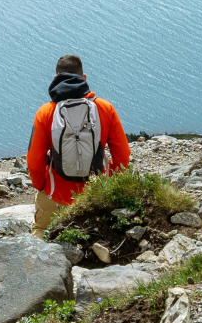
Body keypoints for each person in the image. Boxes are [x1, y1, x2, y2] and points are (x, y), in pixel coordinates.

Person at [26, 54, 131, 231]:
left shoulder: (46, 112)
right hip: (95, 194)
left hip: (55, 194)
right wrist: (109, 184)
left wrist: (42, 186)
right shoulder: (104, 108)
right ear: (84, 78)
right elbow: (123, 155)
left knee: (41, 233)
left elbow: (34, 160)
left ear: (56, 78)